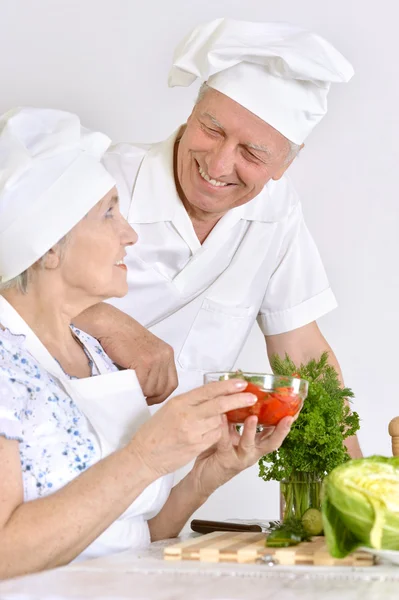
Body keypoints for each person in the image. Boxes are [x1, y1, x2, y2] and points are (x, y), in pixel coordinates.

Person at [0, 107, 294, 579]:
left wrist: (204, 475)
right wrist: (144, 457)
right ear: (49, 246)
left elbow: (136, 535)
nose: (129, 234)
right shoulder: (5, 367)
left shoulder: (94, 355)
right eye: (109, 213)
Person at [75, 19, 362, 457]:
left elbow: (303, 353)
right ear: (191, 114)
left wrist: (354, 489)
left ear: (284, 165)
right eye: (212, 129)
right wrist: (105, 321)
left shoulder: (276, 213)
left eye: (252, 153)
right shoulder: (99, 178)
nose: (220, 164)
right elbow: (12, 284)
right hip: (51, 473)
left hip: (170, 496)